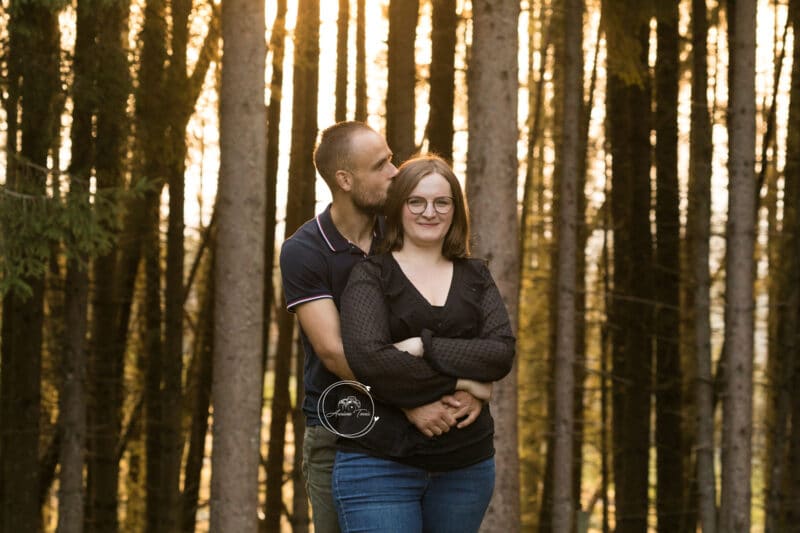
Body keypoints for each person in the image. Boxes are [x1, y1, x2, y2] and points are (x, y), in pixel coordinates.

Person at [279, 123, 489, 533]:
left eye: (391, 158)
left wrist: (471, 390)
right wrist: (413, 400)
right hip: (342, 425)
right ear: (345, 180)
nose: (395, 171)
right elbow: (335, 352)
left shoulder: (400, 233)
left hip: (426, 427)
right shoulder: (305, 251)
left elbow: (455, 320)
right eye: (381, 165)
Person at [334, 154, 515, 532]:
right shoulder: (371, 275)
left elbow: (499, 354)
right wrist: (464, 382)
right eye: (416, 201)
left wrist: (421, 345)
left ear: (455, 210)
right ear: (399, 207)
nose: (429, 212)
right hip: (379, 463)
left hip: (465, 468)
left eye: (441, 202)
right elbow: (370, 360)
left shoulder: (476, 275)